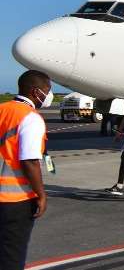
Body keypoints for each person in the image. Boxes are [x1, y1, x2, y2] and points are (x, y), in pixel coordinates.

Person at [0, 70, 50, 270]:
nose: (48, 96)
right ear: (35, 91)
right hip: (14, 201)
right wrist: (41, 194)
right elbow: (29, 161)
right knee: (11, 256)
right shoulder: (30, 118)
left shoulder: (2, 109)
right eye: (47, 91)